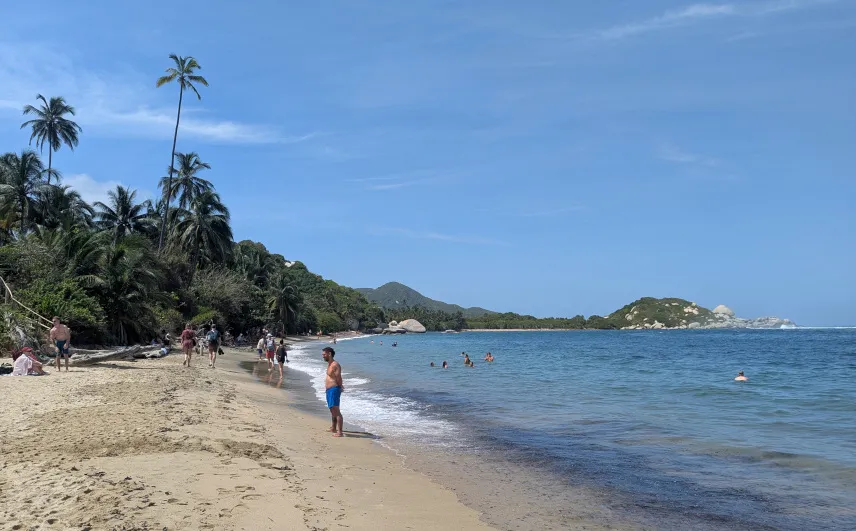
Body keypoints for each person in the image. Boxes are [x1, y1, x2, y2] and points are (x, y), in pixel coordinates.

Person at [322, 347, 344, 437]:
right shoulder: (329, 364)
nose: (323, 356)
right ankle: (333, 427)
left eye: (324, 354)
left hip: (334, 389)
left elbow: (338, 378)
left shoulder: (335, 365)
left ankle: (340, 432)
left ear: (329, 354)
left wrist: (340, 387)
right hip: (329, 390)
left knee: (336, 410)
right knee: (332, 409)